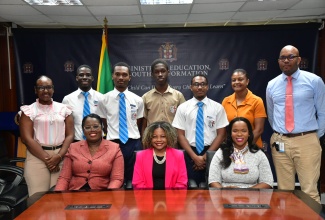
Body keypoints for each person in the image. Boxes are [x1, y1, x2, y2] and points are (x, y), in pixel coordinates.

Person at [266, 45, 325, 203]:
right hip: (280, 141)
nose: (286, 60)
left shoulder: (314, 81)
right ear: (278, 61)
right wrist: (282, 133)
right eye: (282, 58)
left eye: (290, 57)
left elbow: (322, 112)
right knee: (284, 191)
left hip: (306, 140)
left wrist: (312, 137)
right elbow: (271, 115)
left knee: (309, 190)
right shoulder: (272, 84)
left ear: (299, 60)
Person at [19, 75, 74, 196]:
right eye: (41, 87)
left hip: (61, 156)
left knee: (58, 198)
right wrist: (48, 160)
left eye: (49, 87)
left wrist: (58, 156)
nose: (45, 91)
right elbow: (26, 139)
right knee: (37, 198)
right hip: (37, 157)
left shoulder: (64, 109)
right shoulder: (28, 110)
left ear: (53, 89)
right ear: (35, 90)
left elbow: (70, 135)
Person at [172, 74, 228, 185]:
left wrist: (206, 156)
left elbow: (221, 134)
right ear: (191, 87)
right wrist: (194, 157)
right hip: (190, 153)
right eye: (196, 84)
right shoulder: (183, 108)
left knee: (211, 186)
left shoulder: (217, 108)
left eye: (203, 84)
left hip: (212, 152)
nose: (200, 87)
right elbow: (180, 135)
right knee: (190, 187)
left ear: (207, 87)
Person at [98, 62, 144, 183]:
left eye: (124, 75)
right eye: (117, 74)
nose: (121, 78)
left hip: (133, 143)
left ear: (130, 77)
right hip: (113, 143)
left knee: (134, 179)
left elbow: (137, 123)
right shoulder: (104, 99)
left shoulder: (138, 100)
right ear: (112, 76)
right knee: (115, 179)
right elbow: (104, 123)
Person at [55, 113, 124, 190]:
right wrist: (58, 196)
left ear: (102, 128)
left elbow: (117, 179)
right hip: (75, 194)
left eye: (96, 126)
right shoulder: (73, 147)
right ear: (83, 130)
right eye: (87, 127)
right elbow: (64, 178)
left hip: (102, 194)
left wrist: (108, 194)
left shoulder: (114, 148)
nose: (92, 130)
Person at [208, 117, 273, 188]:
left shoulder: (258, 154)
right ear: (230, 134)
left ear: (249, 133)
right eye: (235, 131)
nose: (239, 134)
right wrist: (224, 192)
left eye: (244, 131)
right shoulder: (221, 152)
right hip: (225, 196)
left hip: (252, 196)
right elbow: (213, 180)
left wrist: (247, 193)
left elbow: (267, 182)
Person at [132, 121, 187, 189]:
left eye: (163, 136)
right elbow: (137, 182)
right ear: (150, 138)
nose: (159, 140)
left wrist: (171, 197)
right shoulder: (141, 156)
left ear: (169, 137)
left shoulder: (178, 155)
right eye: (154, 137)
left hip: (172, 197)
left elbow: (182, 182)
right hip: (147, 197)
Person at [222, 69, 267, 148]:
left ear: (247, 81)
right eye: (233, 80)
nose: (236, 82)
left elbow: (259, 129)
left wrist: (243, 147)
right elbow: (223, 129)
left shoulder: (257, 101)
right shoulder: (226, 101)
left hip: (252, 148)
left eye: (240, 79)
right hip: (231, 149)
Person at [141, 59, 185, 135]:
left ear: (168, 72)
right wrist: (144, 141)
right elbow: (143, 122)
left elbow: (184, 120)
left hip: (173, 138)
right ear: (152, 74)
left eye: (163, 71)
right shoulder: (145, 97)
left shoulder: (178, 96)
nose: (160, 74)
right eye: (156, 72)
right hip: (152, 138)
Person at [62, 64, 104, 142]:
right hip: (77, 142)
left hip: (98, 142)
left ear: (92, 78)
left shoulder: (102, 98)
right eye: (81, 75)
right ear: (77, 78)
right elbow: (65, 125)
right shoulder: (68, 99)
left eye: (88, 75)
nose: (84, 77)